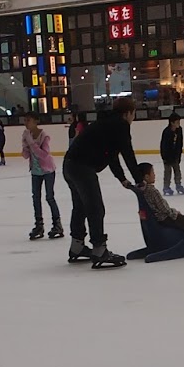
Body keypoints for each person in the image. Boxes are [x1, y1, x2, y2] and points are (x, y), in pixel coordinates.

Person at [63, 97, 141, 269]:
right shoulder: (121, 125)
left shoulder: (107, 123)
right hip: (82, 167)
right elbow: (128, 154)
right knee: (95, 208)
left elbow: (111, 155)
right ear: (128, 113)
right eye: (133, 114)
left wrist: (122, 178)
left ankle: (77, 247)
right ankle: (99, 250)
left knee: (81, 207)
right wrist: (139, 180)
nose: (132, 118)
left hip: (69, 165)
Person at [22, 112, 63, 241]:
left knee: (49, 197)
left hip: (48, 170)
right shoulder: (27, 135)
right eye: (25, 120)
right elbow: (26, 156)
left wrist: (31, 143)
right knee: (36, 198)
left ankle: (57, 225)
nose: (26, 123)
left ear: (36, 121)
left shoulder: (44, 136)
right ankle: (39, 225)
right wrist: (25, 145)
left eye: (28, 120)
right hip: (35, 171)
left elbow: (44, 155)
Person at [159, 113, 184, 196]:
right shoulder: (166, 132)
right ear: (172, 122)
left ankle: (178, 185)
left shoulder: (179, 130)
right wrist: (165, 157)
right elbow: (163, 145)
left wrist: (179, 154)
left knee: (177, 171)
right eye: (177, 122)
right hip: (167, 155)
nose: (179, 123)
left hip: (175, 155)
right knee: (167, 172)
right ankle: (166, 187)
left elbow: (180, 143)